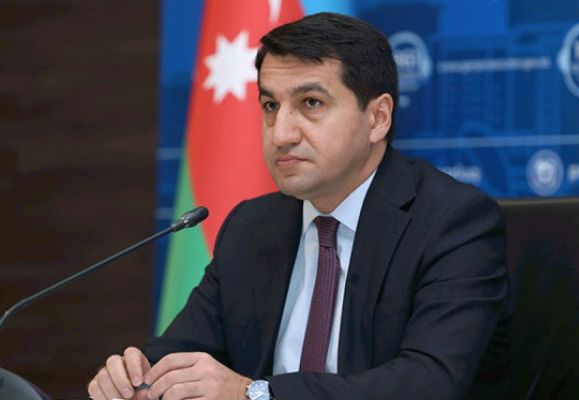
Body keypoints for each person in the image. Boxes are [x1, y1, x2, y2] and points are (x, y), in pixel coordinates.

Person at [88, 12, 509, 400]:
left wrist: (254, 394)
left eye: (311, 103)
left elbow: (428, 382)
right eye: (271, 106)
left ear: (378, 118)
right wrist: (137, 376)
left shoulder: (452, 223)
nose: (282, 134)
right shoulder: (252, 226)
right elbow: (183, 350)